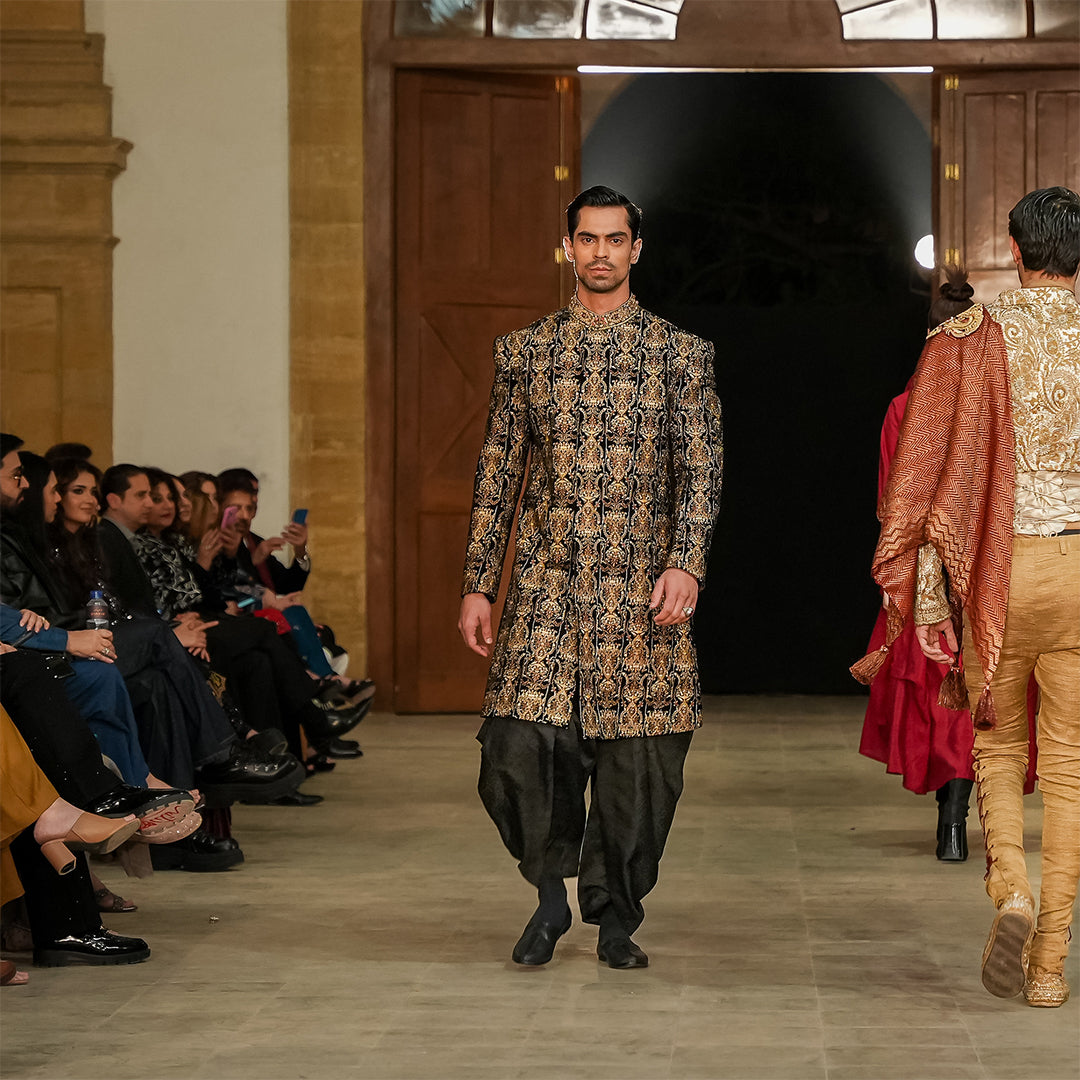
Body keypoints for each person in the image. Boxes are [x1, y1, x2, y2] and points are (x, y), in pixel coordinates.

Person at [457, 186, 723, 970]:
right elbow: (497, 473)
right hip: (546, 584)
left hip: (642, 592)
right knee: (516, 746)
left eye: (615, 239)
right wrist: (480, 581)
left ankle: (614, 916)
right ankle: (549, 893)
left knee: (640, 765)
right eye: (587, 238)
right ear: (566, 247)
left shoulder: (681, 352)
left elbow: (700, 471)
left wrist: (686, 562)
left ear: (637, 249)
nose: (600, 252)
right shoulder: (526, 352)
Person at [853, 187, 1080, 1008]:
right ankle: (1050, 966)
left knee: (994, 745)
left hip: (999, 571)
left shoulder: (967, 337)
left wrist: (923, 593)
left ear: (1014, 254)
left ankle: (1010, 893)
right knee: (1070, 770)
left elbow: (921, 478)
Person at [858, 271, 1038, 861]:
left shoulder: (904, 408)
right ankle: (972, 823)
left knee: (940, 689)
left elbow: (893, 501)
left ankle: (952, 821)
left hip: (927, 569)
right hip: (989, 562)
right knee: (981, 687)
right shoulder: (997, 404)